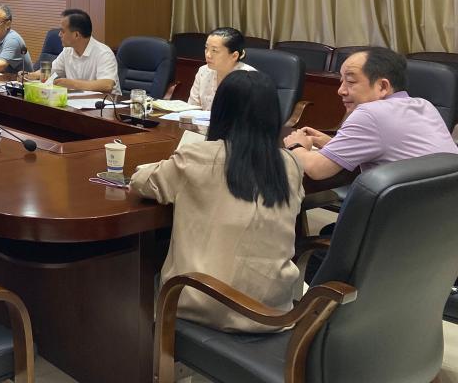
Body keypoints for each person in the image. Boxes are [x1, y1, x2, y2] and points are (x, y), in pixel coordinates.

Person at [131, 70, 304, 333]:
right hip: (273, 308)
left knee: (138, 277)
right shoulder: (290, 164)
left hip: (208, 303)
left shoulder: (197, 157)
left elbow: (141, 182)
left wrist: (157, 166)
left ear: (220, 112)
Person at [284, 47, 458, 180]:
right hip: (441, 211)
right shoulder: (424, 105)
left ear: (382, 86)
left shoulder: (369, 113)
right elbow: (394, 150)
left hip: (400, 213)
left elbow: (316, 170)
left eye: (350, 81)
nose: (340, 90)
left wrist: (296, 146)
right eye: (341, 81)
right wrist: (332, 144)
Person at [23, 9, 118, 93]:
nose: (59, 35)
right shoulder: (67, 51)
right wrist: (30, 75)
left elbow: (107, 85)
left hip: (106, 105)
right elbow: (50, 71)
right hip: (78, 102)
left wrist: (72, 84)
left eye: (63, 31)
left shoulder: (104, 53)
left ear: (76, 35)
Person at [187, 27, 255, 110]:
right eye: (206, 48)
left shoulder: (250, 78)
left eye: (214, 50)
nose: (208, 55)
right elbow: (191, 107)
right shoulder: (203, 71)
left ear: (234, 56)